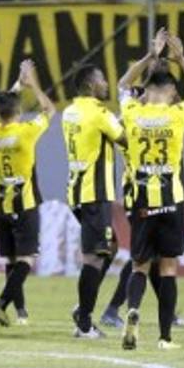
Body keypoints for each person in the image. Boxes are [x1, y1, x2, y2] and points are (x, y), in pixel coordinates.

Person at [116, 28, 184, 350]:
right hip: (171, 198)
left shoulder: (133, 112)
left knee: (140, 265)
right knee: (168, 267)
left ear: (149, 90)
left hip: (141, 198)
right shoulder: (177, 114)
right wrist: (181, 59)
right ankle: (165, 337)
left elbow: (123, 85)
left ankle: (132, 309)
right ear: (170, 92)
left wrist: (151, 56)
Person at [0, 60, 55, 327]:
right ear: (19, 111)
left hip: (2, 203)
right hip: (24, 202)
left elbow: (4, 106)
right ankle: (1, 305)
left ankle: (21, 311)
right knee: (26, 259)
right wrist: (32, 83)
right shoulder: (26, 132)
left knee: (12, 260)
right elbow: (49, 109)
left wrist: (18, 81)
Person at [64, 65, 125, 339]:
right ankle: (84, 322)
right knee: (95, 256)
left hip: (76, 192)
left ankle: (83, 307)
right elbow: (123, 138)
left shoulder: (70, 111)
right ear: (90, 85)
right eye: (101, 79)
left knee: (110, 247)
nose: (105, 83)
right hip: (95, 193)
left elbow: (104, 129)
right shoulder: (99, 113)